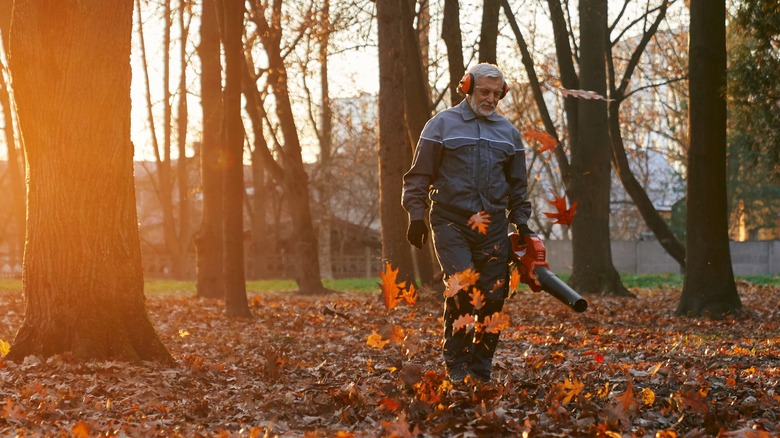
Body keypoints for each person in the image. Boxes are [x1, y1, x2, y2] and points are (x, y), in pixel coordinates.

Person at [401, 63, 532, 383]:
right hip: (451, 220)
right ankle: (456, 360)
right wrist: (415, 216)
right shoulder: (441, 125)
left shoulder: (509, 134)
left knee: (494, 295)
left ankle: (481, 363)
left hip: (493, 226)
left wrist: (521, 221)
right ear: (468, 88)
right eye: (483, 91)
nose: (490, 98)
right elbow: (418, 175)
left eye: (496, 94)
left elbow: (517, 185)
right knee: (462, 283)